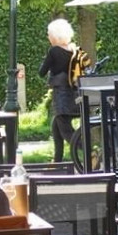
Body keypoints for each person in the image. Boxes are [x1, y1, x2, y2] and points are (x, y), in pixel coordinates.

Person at [38, 18, 78, 163]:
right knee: (56, 128)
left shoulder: (54, 51)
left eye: (49, 34)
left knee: (66, 132)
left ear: (55, 36)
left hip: (61, 97)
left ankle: (90, 152)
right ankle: (57, 161)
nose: (48, 37)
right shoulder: (74, 50)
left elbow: (41, 72)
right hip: (73, 95)